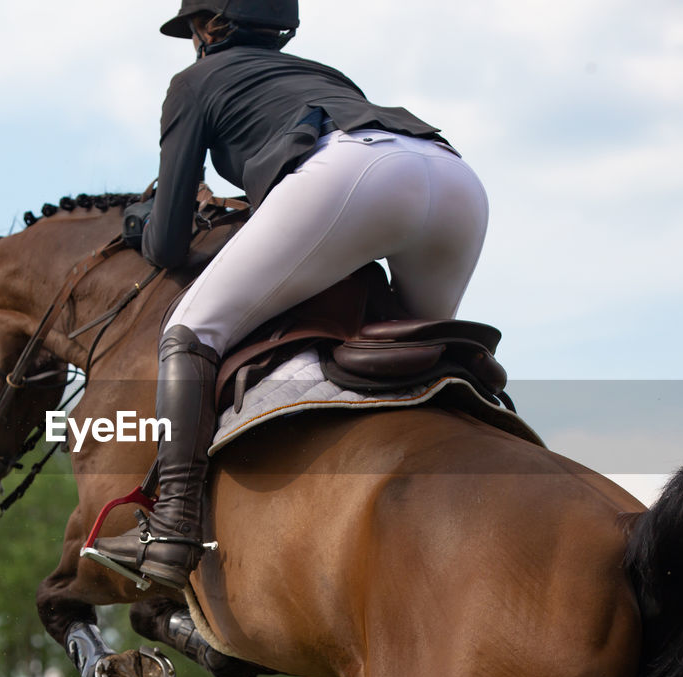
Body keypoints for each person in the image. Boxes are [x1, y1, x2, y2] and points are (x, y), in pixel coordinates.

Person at [88, 0, 490, 590]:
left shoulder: (192, 82)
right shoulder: (323, 73)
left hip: (354, 175)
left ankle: (171, 526)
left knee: (190, 330)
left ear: (204, 27)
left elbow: (169, 246)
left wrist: (142, 225)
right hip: (452, 178)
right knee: (420, 360)